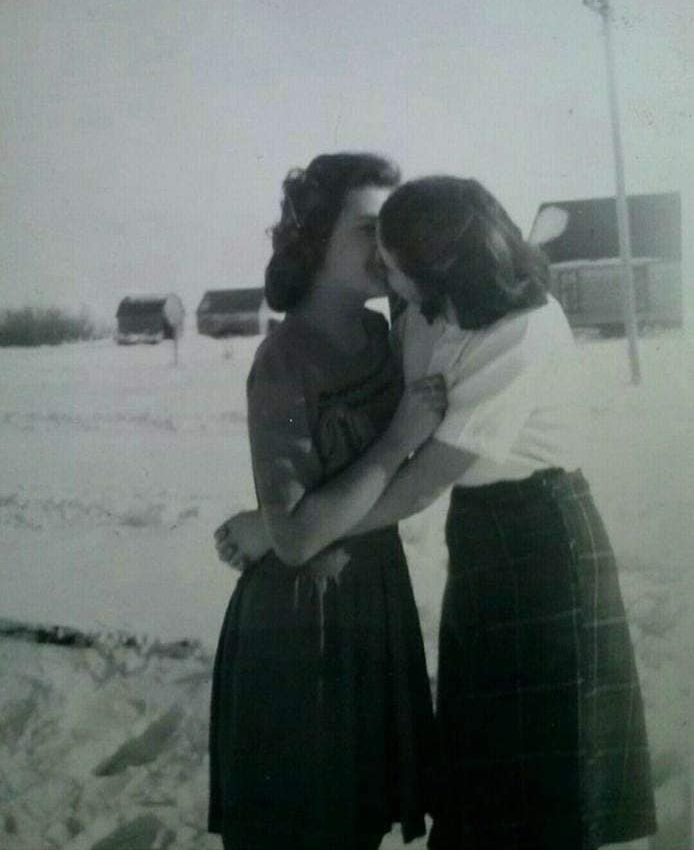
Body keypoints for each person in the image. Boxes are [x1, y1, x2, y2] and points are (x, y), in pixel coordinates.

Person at [365, 176, 657, 850]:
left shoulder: (522, 329)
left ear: (436, 263)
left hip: (542, 539)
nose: (382, 271)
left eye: (390, 259)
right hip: (482, 531)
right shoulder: (434, 311)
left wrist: (307, 532)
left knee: (552, 770)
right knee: (485, 753)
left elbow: (422, 483)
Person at [208, 153, 445, 850]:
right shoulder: (284, 358)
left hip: (375, 603)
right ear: (314, 240)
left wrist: (269, 525)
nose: (388, 246)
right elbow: (295, 539)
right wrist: (396, 439)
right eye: (369, 229)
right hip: (300, 624)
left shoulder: (388, 333)